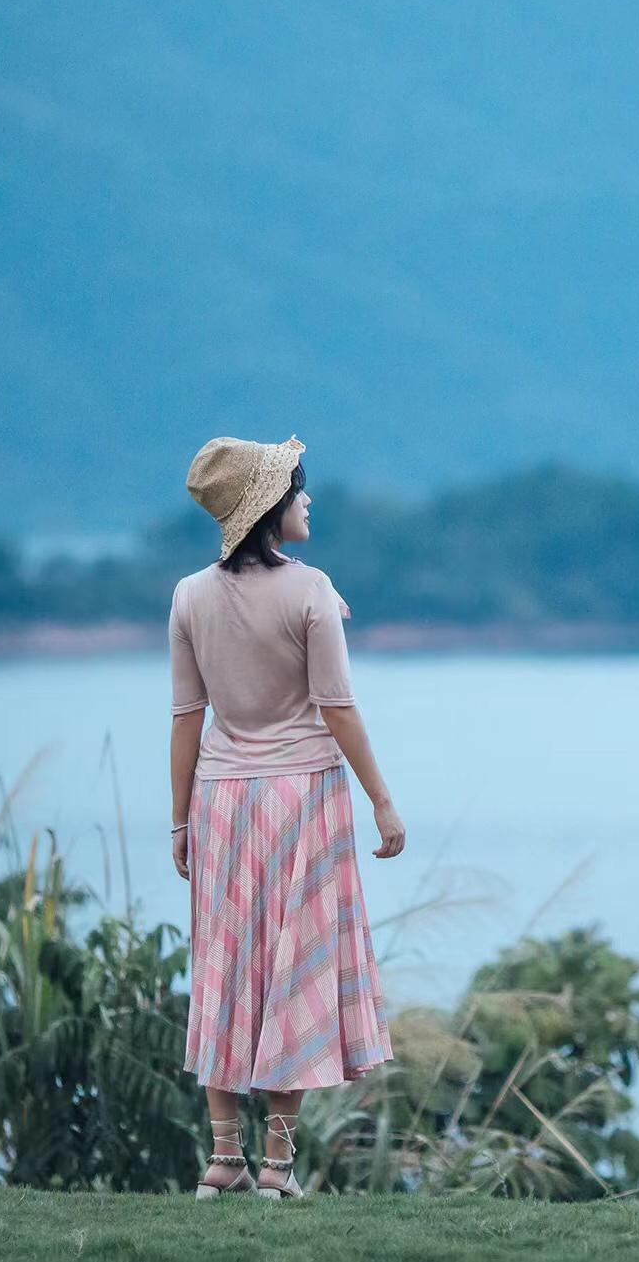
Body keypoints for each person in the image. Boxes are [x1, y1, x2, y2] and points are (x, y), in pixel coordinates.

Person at [168, 433, 405, 1199]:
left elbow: (186, 719)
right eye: (297, 488)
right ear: (271, 507)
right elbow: (336, 707)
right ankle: (277, 1165)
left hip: (224, 800)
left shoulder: (189, 595)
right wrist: (382, 797)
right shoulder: (309, 592)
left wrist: (179, 823)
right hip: (302, 796)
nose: (308, 498)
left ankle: (222, 1158)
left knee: (226, 965)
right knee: (293, 970)